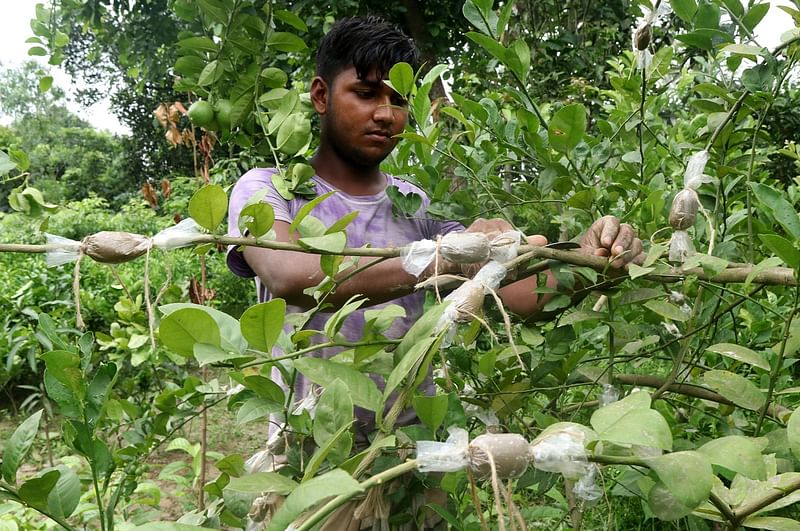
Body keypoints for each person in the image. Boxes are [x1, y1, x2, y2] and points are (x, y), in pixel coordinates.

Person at [226, 15, 642, 529]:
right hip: (312, 455)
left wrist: (594, 261)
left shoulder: (412, 205)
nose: (384, 114)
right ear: (320, 96)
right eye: (365, 92)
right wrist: (449, 255)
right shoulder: (269, 189)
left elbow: (517, 299)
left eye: (398, 100)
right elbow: (290, 274)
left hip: (414, 453)